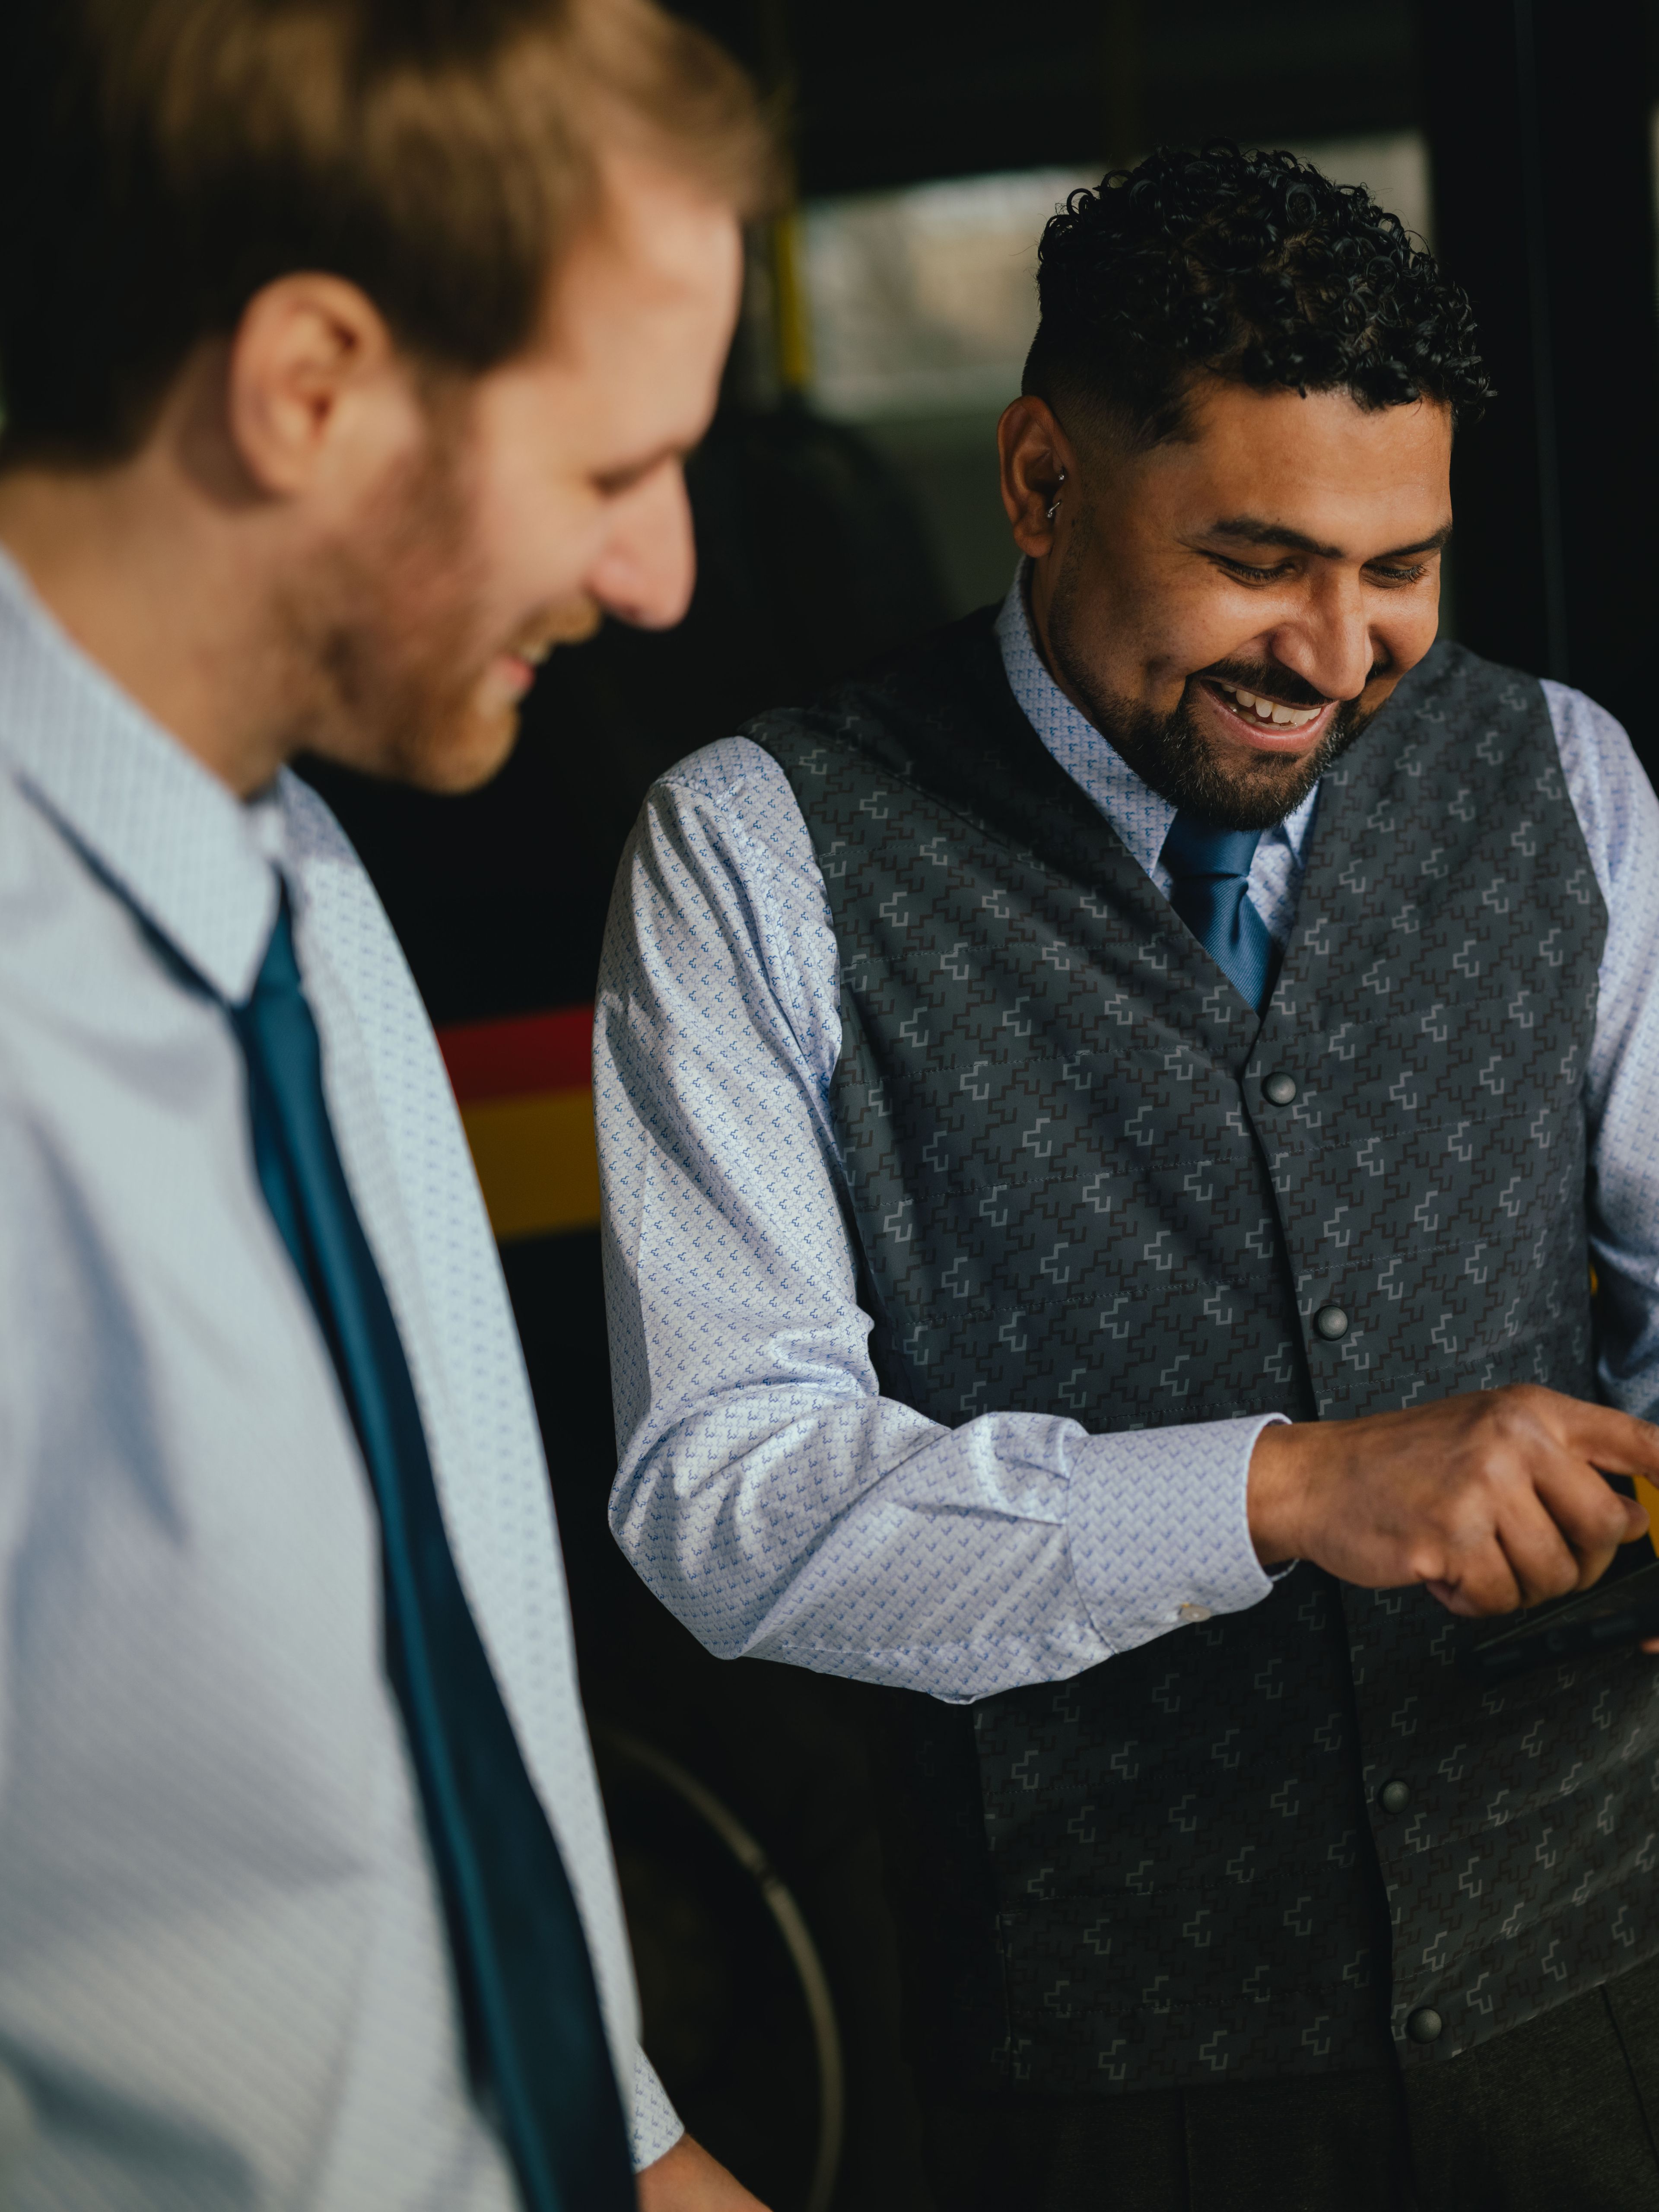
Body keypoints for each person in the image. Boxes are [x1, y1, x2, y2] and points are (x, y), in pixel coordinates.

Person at [596, 145, 1659, 2210]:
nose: (1342, 652)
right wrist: (1285, 1482)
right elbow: (724, 1494)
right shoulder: (753, 850)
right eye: (1258, 556)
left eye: (1404, 566)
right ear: (1039, 480)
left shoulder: (1570, 775)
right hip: (1101, 2070)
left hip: (1603, 1986)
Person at [0, 0, 775, 2205]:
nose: (666, 576)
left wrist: (617, 2143)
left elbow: (340, 1803)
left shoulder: (307, 896)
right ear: (310, 384)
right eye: (615, 467)